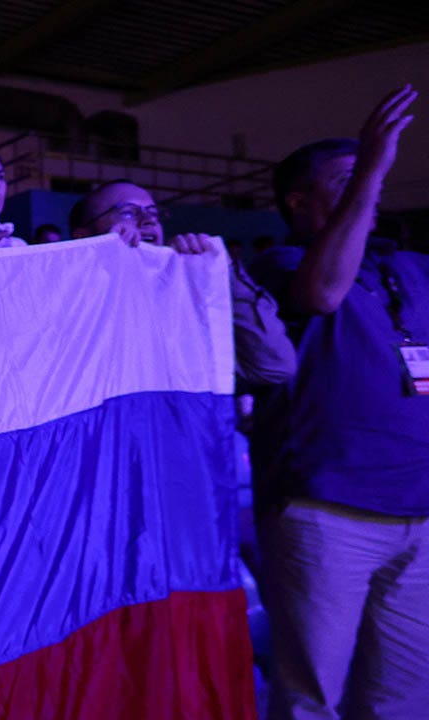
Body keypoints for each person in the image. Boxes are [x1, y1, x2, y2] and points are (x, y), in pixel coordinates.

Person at [248, 86, 428, 719]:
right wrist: (376, 166)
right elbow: (323, 293)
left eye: (373, 177)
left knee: (404, 700)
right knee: (312, 697)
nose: (371, 189)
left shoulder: (410, 267)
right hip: (326, 513)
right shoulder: (281, 263)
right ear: (299, 204)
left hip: (422, 513)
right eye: (350, 178)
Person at [71, 179, 296, 387]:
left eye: (153, 214)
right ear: (82, 236)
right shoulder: (67, 301)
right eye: (128, 213)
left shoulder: (189, 299)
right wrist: (102, 260)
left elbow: (275, 368)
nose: (148, 220)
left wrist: (223, 275)